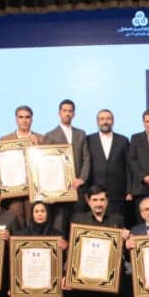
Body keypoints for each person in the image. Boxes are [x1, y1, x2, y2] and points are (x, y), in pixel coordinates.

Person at [43, 99, 91, 231]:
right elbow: (47, 164)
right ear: (59, 113)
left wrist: (81, 179)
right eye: (64, 111)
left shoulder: (81, 134)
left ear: (74, 114)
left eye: (70, 111)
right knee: (59, 225)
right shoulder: (50, 136)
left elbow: (86, 159)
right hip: (59, 191)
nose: (67, 113)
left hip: (78, 188)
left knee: (78, 225)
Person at [0, 105, 44, 226]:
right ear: (16, 119)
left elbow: (46, 165)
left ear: (32, 119)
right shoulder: (5, 139)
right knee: (15, 219)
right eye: (21, 117)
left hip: (34, 190)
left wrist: (38, 146)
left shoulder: (41, 138)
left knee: (33, 222)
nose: (24, 120)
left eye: (27, 117)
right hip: (14, 190)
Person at [85, 109, 131, 222]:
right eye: (102, 119)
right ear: (97, 121)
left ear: (113, 121)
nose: (105, 122)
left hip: (118, 193)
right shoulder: (89, 139)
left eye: (108, 119)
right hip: (95, 193)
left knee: (117, 223)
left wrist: (129, 190)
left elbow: (128, 167)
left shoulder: (123, 140)